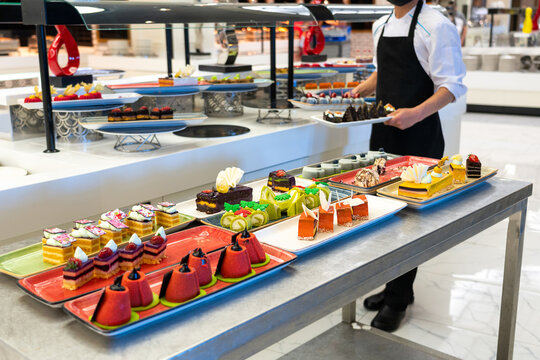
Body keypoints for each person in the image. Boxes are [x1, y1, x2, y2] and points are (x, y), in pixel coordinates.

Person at [352, 0, 466, 332]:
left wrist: (415, 113)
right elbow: (384, 70)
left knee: (410, 219)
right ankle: (395, 286)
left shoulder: (438, 25)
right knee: (386, 214)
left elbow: (452, 85)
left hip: (420, 134)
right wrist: (363, 87)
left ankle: (398, 298)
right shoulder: (381, 24)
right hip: (384, 130)